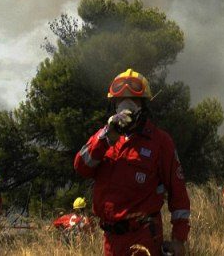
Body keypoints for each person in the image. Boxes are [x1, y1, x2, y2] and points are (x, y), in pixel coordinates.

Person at [74, 69, 190, 256]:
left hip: (143, 240)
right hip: (110, 242)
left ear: (143, 105)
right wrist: (104, 138)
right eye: (120, 100)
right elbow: (81, 167)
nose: (126, 105)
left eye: (133, 100)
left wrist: (179, 239)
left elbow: (178, 193)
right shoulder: (105, 139)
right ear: (114, 105)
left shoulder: (160, 142)